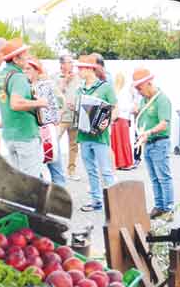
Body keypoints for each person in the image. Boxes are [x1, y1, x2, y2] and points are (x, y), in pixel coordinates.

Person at [0, 38, 47, 177]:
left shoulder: (0, 76)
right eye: (25, 54)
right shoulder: (18, 77)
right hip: (25, 133)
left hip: (9, 134)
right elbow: (15, 103)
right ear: (16, 59)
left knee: (18, 180)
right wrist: (40, 102)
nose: (28, 57)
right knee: (32, 180)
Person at [75, 54, 118, 212]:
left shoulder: (105, 87)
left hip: (100, 136)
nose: (78, 71)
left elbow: (115, 107)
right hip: (84, 136)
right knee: (91, 170)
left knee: (106, 170)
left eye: (80, 68)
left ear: (89, 69)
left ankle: (114, 203)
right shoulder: (80, 89)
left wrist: (108, 121)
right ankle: (96, 201)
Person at [133, 67, 174, 220]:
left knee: (164, 177)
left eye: (140, 87)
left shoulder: (162, 99)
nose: (138, 91)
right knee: (154, 178)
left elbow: (164, 124)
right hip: (148, 143)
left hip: (159, 142)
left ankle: (169, 208)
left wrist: (148, 133)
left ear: (149, 83)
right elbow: (144, 121)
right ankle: (159, 206)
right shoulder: (145, 100)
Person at [24, 58, 66, 187]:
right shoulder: (23, 86)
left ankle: (60, 199)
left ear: (37, 70)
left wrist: (55, 122)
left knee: (56, 167)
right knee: (34, 170)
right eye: (24, 69)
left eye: (29, 69)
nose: (25, 71)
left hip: (47, 130)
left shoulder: (48, 85)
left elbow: (57, 102)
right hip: (31, 131)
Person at [55, 54, 82, 179]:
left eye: (72, 62)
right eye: (69, 62)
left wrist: (76, 105)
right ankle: (54, 171)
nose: (72, 65)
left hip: (75, 116)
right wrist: (64, 81)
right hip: (61, 117)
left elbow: (82, 94)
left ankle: (71, 171)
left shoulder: (78, 78)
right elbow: (55, 95)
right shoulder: (55, 77)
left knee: (74, 145)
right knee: (54, 141)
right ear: (62, 65)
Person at [111, 72, 135, 170]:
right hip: (123, 118)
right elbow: (125, 107)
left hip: (115, 119)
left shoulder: (114, 91)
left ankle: (118, 163)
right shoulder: (124, 92)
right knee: (124, 140)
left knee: (116, 141)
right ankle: (126, 163)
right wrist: (133, 105)